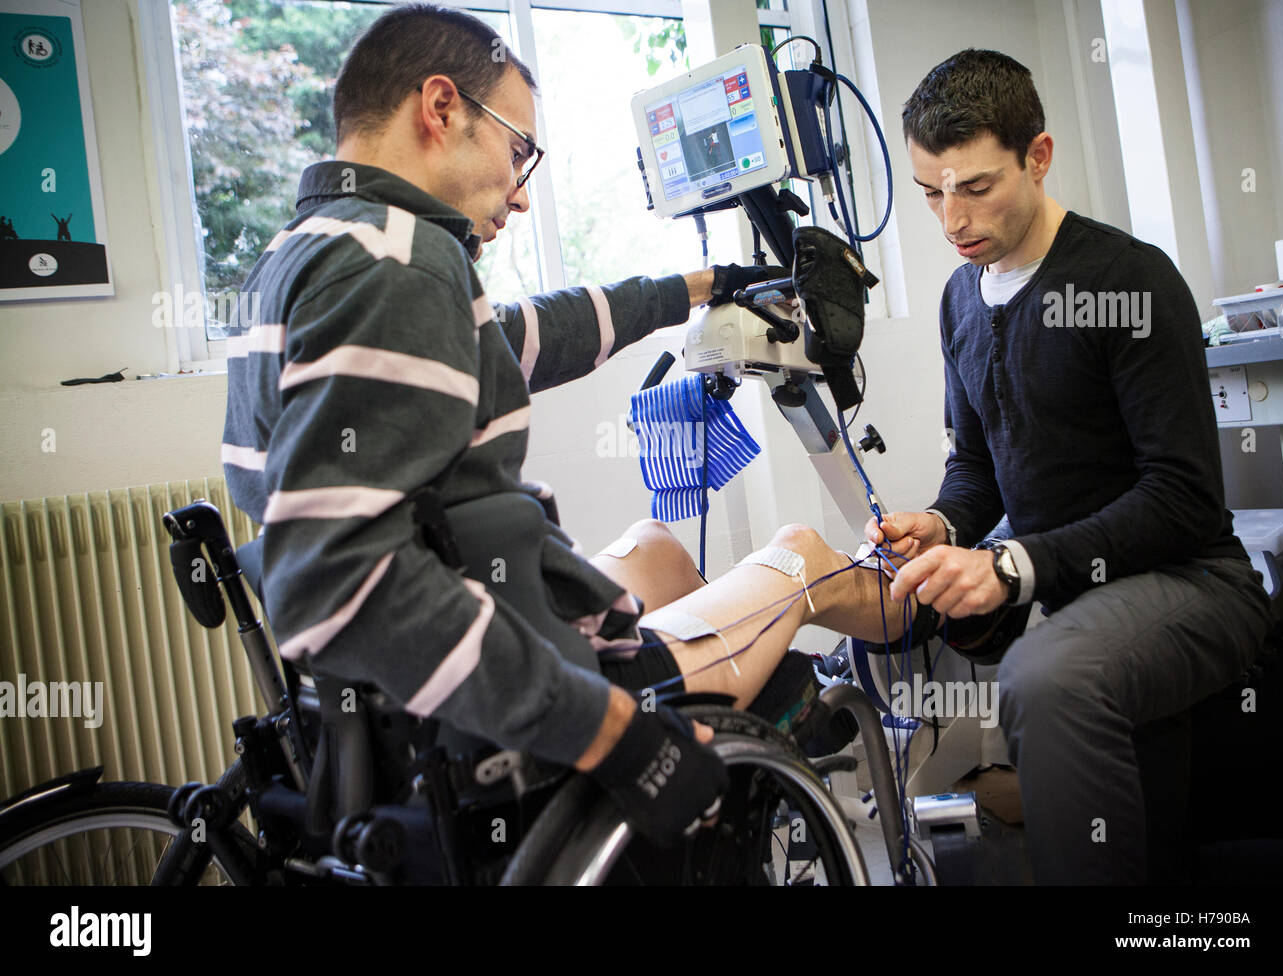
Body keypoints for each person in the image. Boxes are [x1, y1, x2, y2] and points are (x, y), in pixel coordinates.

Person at [221, 3, 915, 848]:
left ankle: (771, 668)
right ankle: (946, 616)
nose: (519, 193)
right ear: (440, 108)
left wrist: (706, 284)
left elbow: (525, 337)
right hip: (499, 712)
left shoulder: (311, 250)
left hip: (407, 684)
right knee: (805, 554)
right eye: (518, 151)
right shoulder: (400, 267)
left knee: (658, 546)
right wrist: (610, 733)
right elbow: (332, 577)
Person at [865, 48, 1273, 883]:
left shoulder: (1129, 281)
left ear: (1038, 157)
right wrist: (943, 525)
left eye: (975, 187)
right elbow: (979, 466)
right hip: (1075, 587)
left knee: (1045, 679)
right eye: (931, 192)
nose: (952, 220)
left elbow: (1185, 497)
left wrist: (1014, 564)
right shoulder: (961, 299)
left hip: (1193, 577)